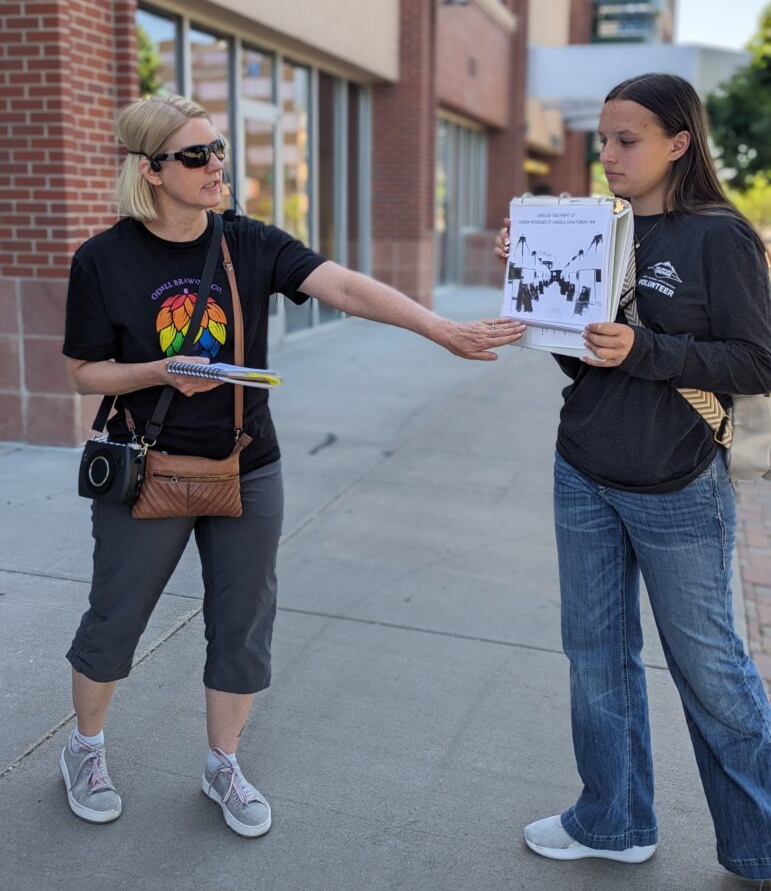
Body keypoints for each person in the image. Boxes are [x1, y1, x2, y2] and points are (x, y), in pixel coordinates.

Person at [61, 93, 525, 837]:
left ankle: (223, 764)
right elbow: (86, 372)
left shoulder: (245, 241)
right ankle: (84, 749)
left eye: (217, 150)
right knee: (116, 619)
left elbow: (340, 286)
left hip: (247, 464)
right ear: (151, 171)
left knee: (242, 623)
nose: (215, 165)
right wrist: (156, 372)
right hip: (148, 465)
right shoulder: (104, 258)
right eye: (194, 155)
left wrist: (436, 328)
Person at [495, 74, 771, 880]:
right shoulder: (598, 226)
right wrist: (534, 284)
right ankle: (612, 822)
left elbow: (758, 362)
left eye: (627, 140)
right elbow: (581, 363)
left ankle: (759, 844)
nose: (607, 156)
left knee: (710, 671)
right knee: (595, 657)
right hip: (582, 470)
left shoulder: (719, 237)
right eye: (603, 140)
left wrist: (645, 349)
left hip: (677, 485)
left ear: (678, 142)